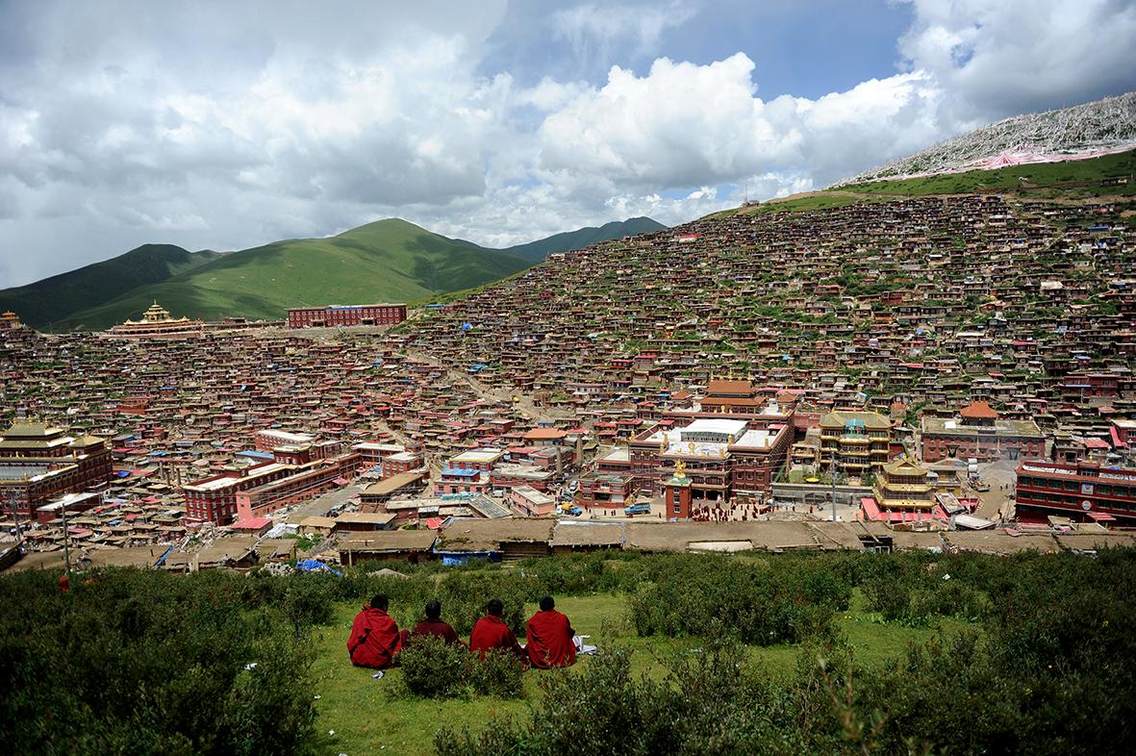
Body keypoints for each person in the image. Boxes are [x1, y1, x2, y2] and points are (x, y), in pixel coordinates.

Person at [347, 594, 403, 669]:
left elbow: (352, 642)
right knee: (404, 634)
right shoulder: (389, 622)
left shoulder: (361, 616)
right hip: (380, 662)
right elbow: (395, 643)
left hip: (358, 659)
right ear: (384, 607)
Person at [526, 595, 576, 668]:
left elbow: (531, 642)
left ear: (540, 607)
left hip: (541, 660)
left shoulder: (533, 621)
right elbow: (569, 634)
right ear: (553, 605)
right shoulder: (562, 618)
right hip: (563, 659)